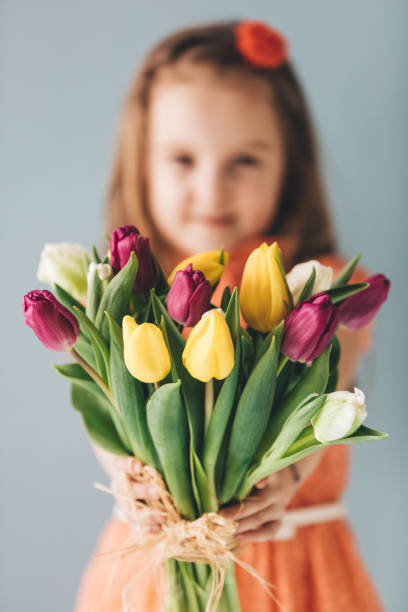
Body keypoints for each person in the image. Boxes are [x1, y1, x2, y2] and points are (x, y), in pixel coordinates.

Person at [75, 20, 383, 611]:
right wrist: (123, 476)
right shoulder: (127, 292)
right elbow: (108, 408)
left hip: (293, 573)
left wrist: (288, 476)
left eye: (244, 160)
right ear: (141, 163)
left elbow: (333, 386)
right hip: (155, 567)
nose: (211, 189)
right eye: (183, 159)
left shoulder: (321, 287)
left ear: (288, 167)